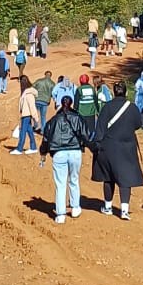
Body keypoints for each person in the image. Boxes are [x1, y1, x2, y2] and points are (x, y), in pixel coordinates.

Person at [90, 82, 143, 218]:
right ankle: (124, 210)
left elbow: (100, 128)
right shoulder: (132, 108)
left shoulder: (107, 107)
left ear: (114, 92)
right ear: (125, 92)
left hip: (108, 147)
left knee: (108, 177)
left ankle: (108, 207)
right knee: (125, 178)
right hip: (127, 147)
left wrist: (97, 145)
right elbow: (138, 124)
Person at [40, 93, 88, 223]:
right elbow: (85, 134)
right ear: (71, 103)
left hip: (59, 153)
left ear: (61, 104)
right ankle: (75, 207)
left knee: (60, 184)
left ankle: (60, 214)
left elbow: (46, 138)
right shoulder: (78, 118)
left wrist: (43, 152)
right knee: (74, 179)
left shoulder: (53, 120)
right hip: (75, 151)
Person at [12, 76, 40, 154]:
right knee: (30, 131)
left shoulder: (28, 94)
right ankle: (33, 147)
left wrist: (36, 118)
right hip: (26, 115)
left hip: (26, 116)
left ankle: (19, 149)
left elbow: (32, 107)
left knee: (22, 132)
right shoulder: (26, 93)